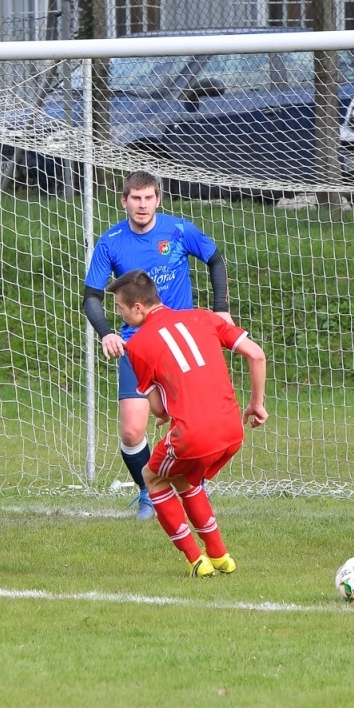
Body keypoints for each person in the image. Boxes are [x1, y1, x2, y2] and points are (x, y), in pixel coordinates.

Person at [83, 171, 232, 520]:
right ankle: (150, 490)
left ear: (158, 199)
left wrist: (221, 311)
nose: (142, 205)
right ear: (124, 202)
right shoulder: (111, 241)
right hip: (137, 346)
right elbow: (91, 296)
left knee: (191, 423)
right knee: (132, 430)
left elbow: (215, 259)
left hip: (182, 345)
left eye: (148, 198)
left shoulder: (178, 230)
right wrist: (106, 331)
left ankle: (193, 484)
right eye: (135, 198)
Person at [106, 270, 266, 577]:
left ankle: (196, 560)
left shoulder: (137, 346)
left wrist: (166, 412)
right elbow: (256, 355)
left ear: (138, 307)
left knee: (151, 477)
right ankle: (220, 556)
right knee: (183, 478)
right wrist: (256, 404)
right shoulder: (204, 317)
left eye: (120, 309)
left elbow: (157, 410)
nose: (120, 315)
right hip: (232, 429)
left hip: (193, 434)